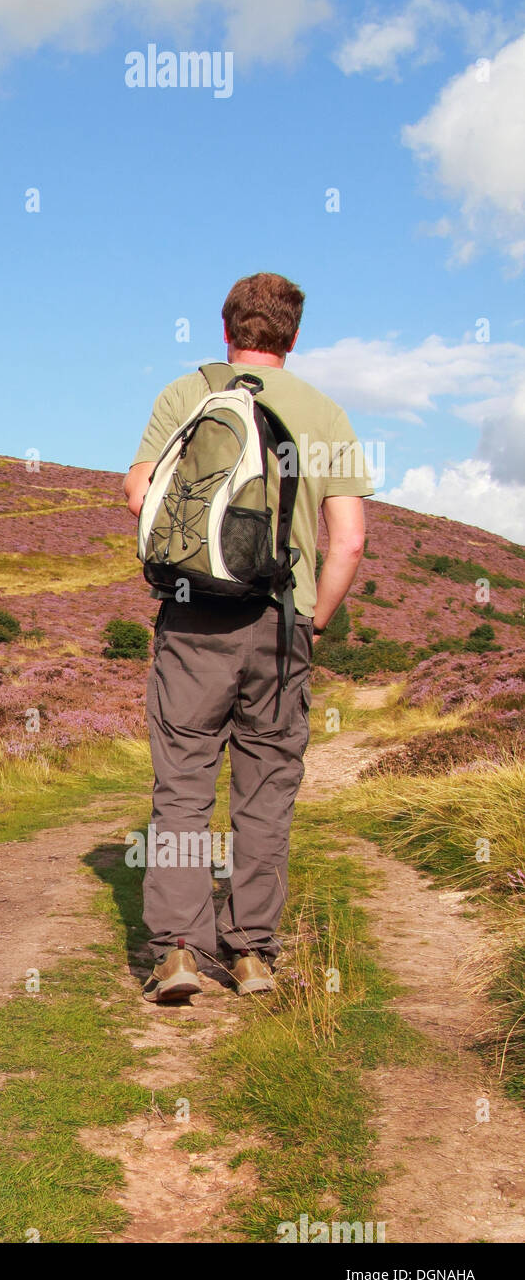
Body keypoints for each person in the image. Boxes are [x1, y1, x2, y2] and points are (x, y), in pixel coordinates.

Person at [122, 272, 371, 1003]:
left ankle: (177, 952)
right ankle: (253, 953)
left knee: (182, 789)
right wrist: (314, 620)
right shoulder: (324, 412)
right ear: (294, 335)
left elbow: (140, 493)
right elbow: (349, 542)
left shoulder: (185, 394)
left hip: (195, 617)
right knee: (266, 793)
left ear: (227, 325)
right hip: (281, 622)